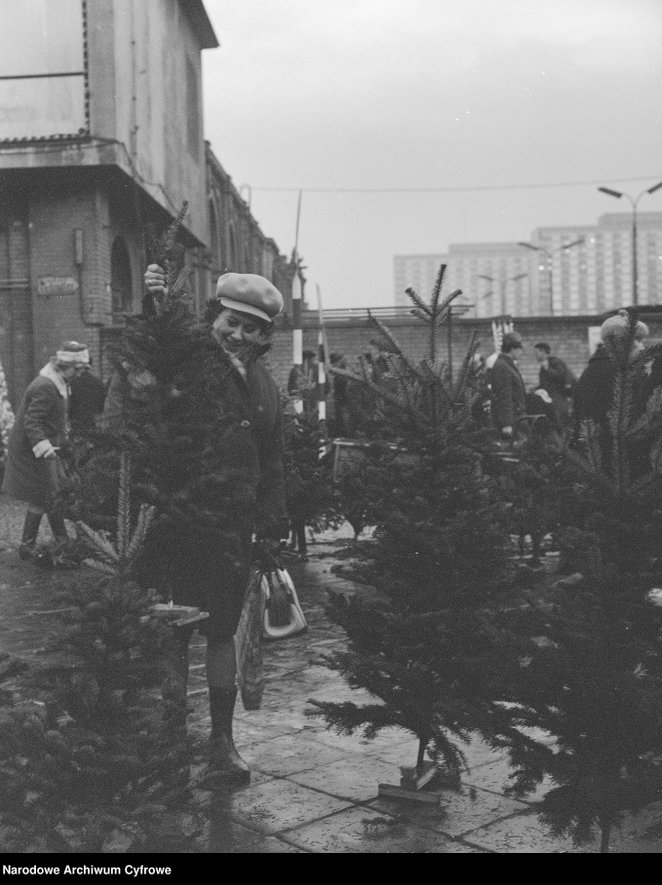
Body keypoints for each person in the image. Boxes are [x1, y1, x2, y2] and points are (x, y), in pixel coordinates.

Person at [127, 264, 288, 786]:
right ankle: (170, 740)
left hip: (232, 532)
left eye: (252, 329)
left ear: (265, 337)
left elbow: (273, 460)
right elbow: (158, 352)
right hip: (178, 522)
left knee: (222, 634)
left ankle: (222, 741)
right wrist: (156, 300)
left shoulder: (264, 385)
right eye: (231, 322)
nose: (239, 335)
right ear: (213, 319)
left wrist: (272, 524)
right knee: (171, 633)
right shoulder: (190, 363)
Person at [1, 341, 90, 563]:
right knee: (46, 494)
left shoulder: (59, 382)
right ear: (64, 365)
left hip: (42, 446)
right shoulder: (46, 386)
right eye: (77, 369)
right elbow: (32, 421)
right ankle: (31, 546)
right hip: (31, 450)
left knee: (53, 493)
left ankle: (58, 542)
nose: (79, 374)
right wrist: (45, 446)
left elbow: (56, 418)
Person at [489, 331, 527, 440]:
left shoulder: (506, 364)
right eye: (520, 349)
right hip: (513, 421)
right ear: (513, 349)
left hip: (517, 418)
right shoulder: (502, 366)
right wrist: (507, 424)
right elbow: (503, 395)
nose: (521, 353)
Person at [533, 342, 575, 428]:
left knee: (561, 422)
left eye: (536, 352)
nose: (535, 355)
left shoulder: (555, 362)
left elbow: (561, 375)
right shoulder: (544, 366)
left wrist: (548, 369)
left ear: (543, 351)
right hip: (552, 398)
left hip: (559, 397)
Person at [68, 357, 106, 435]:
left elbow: (70, 406)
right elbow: (102, 405)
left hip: (78, 426)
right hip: (94, 423)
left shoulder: (73, 383)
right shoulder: (99, 382)